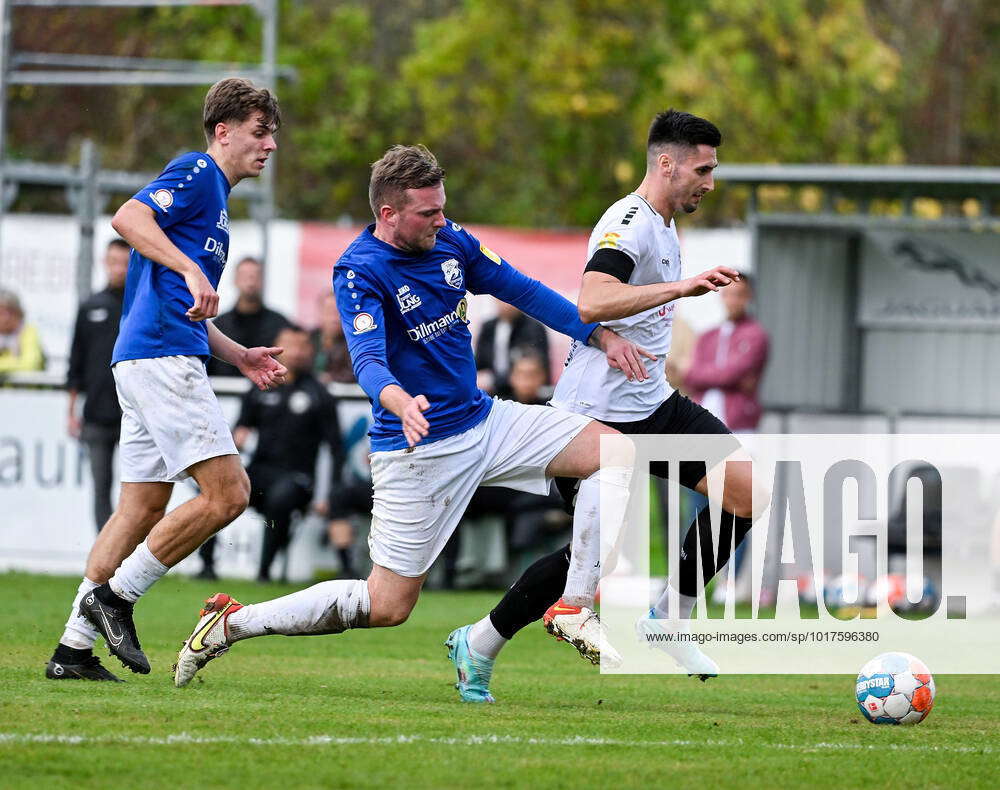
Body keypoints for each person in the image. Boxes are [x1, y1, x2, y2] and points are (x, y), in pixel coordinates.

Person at [171, 143, 652, 689]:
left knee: (616, 453)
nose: (440, 220)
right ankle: (233, 622)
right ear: (388, 213)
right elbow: (368, 358)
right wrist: (395, 399)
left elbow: (523, 289)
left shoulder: (451, 240)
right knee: (386, 605)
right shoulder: (359, 270)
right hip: (417, 450)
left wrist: (599, 334)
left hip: (485, 423)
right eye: (428, 212)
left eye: (442, 207)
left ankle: (572, 605)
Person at [447, 109, 759, 702]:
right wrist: (681, 288)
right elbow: (591, 300)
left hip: (654, 406)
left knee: (744, 491)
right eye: (703, 169)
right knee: (587, 564)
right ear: (666, 164)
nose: (710, 183)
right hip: (593, 416)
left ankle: (669, 617)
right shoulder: (628, 221)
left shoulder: (667, 224)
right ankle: (481, 642)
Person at [44, 78, 285, 683]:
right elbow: (127, 216)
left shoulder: (218, 204)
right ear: (222, 132)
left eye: (273, 134)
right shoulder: (199, 171)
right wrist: (186, 265)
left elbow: (188, 305)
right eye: (260, 132)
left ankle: (71, 651)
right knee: (229, 494)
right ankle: (116, 597)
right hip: (160, 359)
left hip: (149, 356)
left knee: (141, 507)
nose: (271, 145)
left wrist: (241, 356)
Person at [235, 324, 346, 582]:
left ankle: (264, 572)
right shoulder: (261, 385)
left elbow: (336, 449)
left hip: (299, 478)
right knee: (220, 491)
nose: (296, 352)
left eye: (302, 346)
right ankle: (206, 566)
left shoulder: (320, 394)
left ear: (310, 350)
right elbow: (240, 428)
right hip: (261, 471)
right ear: (276, 349)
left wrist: (329, 493)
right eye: (290, 346)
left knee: (280, 498)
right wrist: (238, 436)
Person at [66, 238, 130, 532]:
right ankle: (105, 560)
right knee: (101, 487)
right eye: (113, 262)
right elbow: (75, 363)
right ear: (105, 263)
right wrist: (71, 410)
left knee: (136, 492)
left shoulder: (140, 305)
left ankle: (132, 557)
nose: (118, 269)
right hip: (96, 415)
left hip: (135, 414)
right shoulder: (91, 305)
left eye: (125, 263)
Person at [684, 274, 769, 431]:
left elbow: (733, 373)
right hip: (703, 419)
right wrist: (727, 376)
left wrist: (703, 374)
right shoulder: (707, 336)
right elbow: (690, 376)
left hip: (739, 422)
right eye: (728, 294)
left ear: (748, 297)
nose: (732, 300)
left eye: (738, 295)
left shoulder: (755, 335)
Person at [206, 256, 290, 377]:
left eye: (255, 276)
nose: (250, 281)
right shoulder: (219, 326)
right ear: (235, 280)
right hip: (223, 391)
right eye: (245, 276)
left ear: (263, 281)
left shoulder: (280, 325)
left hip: (267, 390)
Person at [475, 301, 550, 397]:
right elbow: (479, 363)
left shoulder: (533, 328)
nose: (506, 304)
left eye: (509, 299)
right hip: (490, 392)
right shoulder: (488, 327)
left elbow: (534, 367)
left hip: (522, 394)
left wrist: (495, 380)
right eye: (501, 300)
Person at [311, 291, 356, 384]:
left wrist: (331, 378)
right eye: (329, 311)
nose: (334, 318)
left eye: (340, 312)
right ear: (320, 312)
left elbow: (356, 373)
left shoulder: (355, 343)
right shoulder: (308, 338)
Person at [0, 289, 45, 374]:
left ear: (18, 313)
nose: (4, 318)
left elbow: (30, 365)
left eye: (9, 312)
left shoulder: (29, 332)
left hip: (24, 387)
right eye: (1, 313)